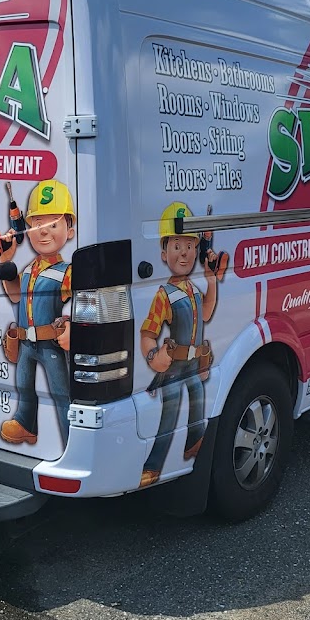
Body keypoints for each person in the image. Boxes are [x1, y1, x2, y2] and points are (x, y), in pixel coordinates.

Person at [139, 201, 226, 488]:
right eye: (177, 246)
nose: (185, 252)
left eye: (189, 245)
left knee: (199, 401)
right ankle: (153, 465)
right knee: (170, 411)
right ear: (164, 253)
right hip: (174, 367)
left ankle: (193, 444)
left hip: (194, 365)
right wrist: (153, 356)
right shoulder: (164, 294)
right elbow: (148, 333)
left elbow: (207, 312)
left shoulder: (193, 290)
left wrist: (212, 281)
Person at [0, 179, 75, 448]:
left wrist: (72, 325)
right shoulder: (29, 269)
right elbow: (16, 296)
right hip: (26, 343)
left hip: (50, 343)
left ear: (70, 231)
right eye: (37, 225)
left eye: (53, 225)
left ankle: (73, 439)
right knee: (24, 385)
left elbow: (80, 302)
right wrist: (5, 264)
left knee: (61, 392)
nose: (44, 232)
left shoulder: (67, 272)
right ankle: (26, 424)